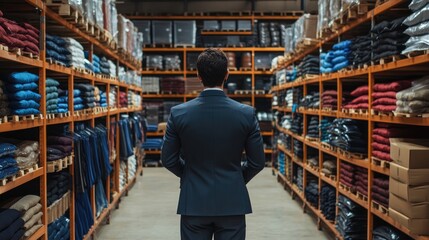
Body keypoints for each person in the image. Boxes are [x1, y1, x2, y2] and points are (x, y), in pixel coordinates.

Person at [161, 48, 265, 240]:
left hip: (193, 202)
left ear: (198, 75)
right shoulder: (246, 113)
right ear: (227, 75)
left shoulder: (179, 113)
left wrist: (189, 174)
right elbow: (257, 162)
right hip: (233, 202)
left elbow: (168, 159)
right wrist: (235, 177)